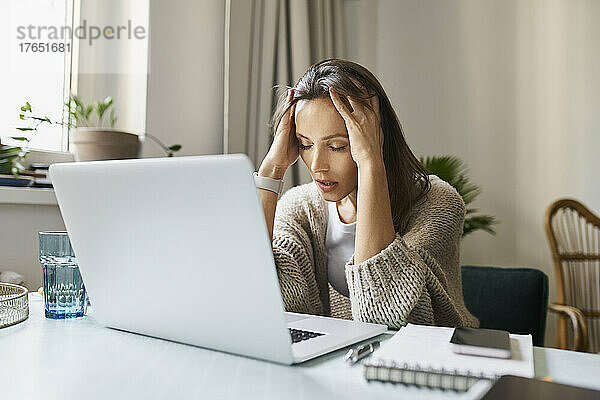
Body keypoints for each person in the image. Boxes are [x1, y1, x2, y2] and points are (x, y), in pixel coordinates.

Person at [256, 59, 478, 329]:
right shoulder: (299, 207)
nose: (316, 165)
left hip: (432, 362)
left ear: (376, 137)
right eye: (305, 145)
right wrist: (272, 169)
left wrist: (371, 162)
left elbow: (389, 318)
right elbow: (261, 298)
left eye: (337, 146)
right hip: (338, 364)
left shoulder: (438, 203)